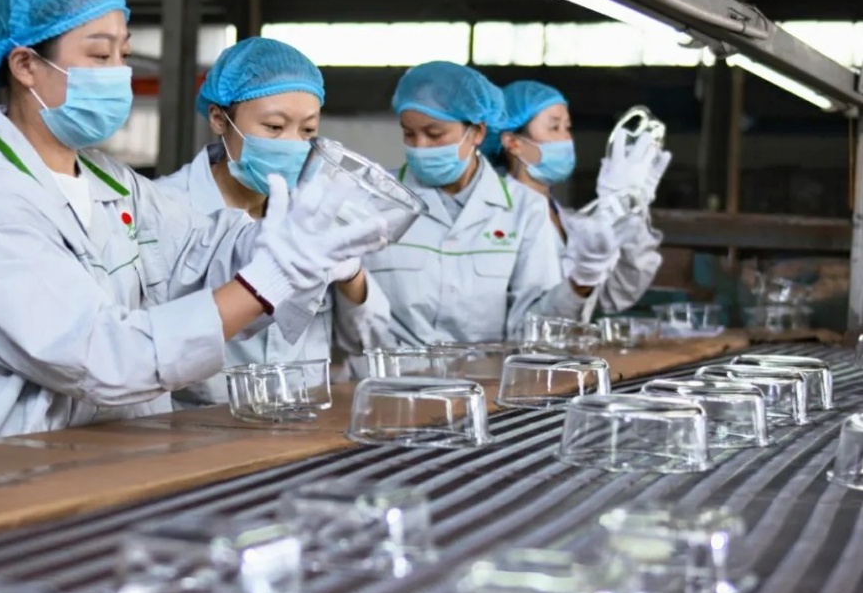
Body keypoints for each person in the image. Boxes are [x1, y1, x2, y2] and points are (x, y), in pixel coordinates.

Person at [0, 0, 387, 452]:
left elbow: (201, 248)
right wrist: (267, 279)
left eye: (124, 55)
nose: (118, 73)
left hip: (84, 466)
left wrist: (291, 242)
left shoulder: (109, 179)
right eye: (100, 56)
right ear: (25, 65)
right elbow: (101, 358)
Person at [157, 37, 390, 406]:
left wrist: (352, 276)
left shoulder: (315, 209)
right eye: (274, 126)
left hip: (302, 421)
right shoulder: (164, 209)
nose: (293, 144)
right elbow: (151, 345)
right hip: (201, 426)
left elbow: (368, 344)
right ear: (219, 119)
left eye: (307, 131)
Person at [363, 61, 614, 347]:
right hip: (391, 374)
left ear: (477, 132)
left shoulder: (524, 209)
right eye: (409, 134)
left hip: (481, 373)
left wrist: (581, 282)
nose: (420, 146)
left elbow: (533, 328)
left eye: (435, 134)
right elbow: (353, 318)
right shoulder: (374, 197)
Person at [484, 80, 671, 319]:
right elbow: (526, 322)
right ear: (513, 143)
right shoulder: (498, 216)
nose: (567, 139)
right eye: (554, 128)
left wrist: (630, 204)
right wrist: (582, 280)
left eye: (568, 127)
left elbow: (613, 296)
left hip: (567, 343)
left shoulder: (564, 218)